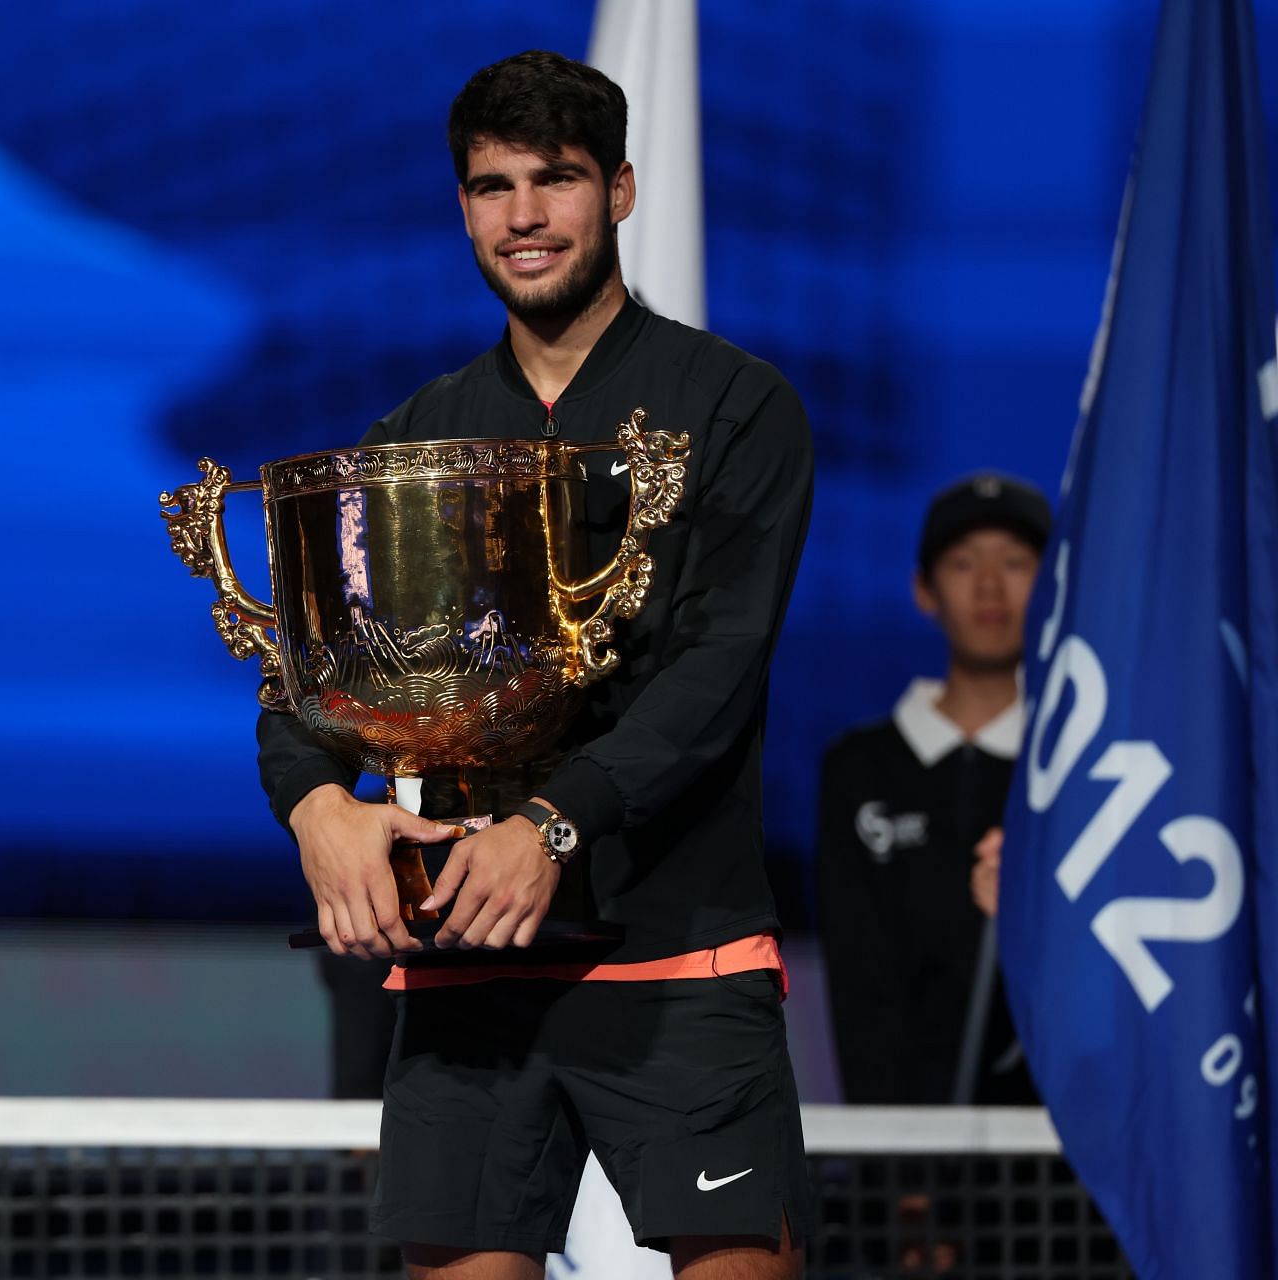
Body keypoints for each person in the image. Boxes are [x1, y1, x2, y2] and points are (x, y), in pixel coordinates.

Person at [257, 51, 814, 1279]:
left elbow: (718, 667)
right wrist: (318, 811)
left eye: (554, 180)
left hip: (681, 957)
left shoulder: (733, 405)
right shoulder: (416, 435)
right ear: (461, 205)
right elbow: (311, 683)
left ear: (618, 190)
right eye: (491, 185)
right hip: (468, 972)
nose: (523, 215)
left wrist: (553, 824)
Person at [815, 475, 1050, 1106]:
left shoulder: (1074, 767)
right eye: (964, 562)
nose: (991, 586)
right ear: (925, 589)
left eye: (1017, 563)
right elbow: (858, 981)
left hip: (1060, 1149)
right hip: (908, 1156)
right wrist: (894, 1148)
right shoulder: (859, 769)